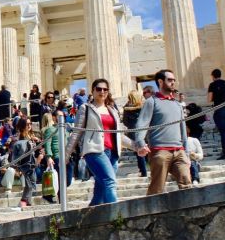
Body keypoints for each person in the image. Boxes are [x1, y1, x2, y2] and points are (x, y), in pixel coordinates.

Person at [68, 78, 130, 206]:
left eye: (105, 89)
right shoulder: (85, 108)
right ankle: (116, 218)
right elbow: (76, 133)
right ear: (93, 91)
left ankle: (88, 219)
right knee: (110, 181)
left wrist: (137, 146)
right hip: (95, 151)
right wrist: (66, 154)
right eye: (99, 89)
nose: (102, 91)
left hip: (112, 153)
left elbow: (119, 136)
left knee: (100, 192)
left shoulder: (112, 111)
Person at [135, 69, 193, 196]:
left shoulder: (177, 105)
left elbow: (182, 129)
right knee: (157, 189)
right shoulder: (152, 102)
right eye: (170, 80)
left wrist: (186, 152)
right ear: (160, 82)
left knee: (187, 184)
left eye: (174, 80)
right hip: (160, 151)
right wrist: (140, 142)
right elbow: (142, 123)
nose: (173, 82)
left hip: (179, 151)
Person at [10, 117, 36, 207]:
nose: (29, 126)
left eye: (30, 123)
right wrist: (17, 168)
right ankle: (24, 202)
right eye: (27, 124)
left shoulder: (30, 136)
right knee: (31, 183)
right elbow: (16, 154)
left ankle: (27, 202)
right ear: (22, 126)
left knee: (31, 183)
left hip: (31, 163)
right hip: (24, 164)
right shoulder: (19, 138)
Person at [121, 90, 147, 178]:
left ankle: (143, 171)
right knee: (144, 149)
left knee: (139, 151)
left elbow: (125, 122)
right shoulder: (144, 107)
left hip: (133, 131)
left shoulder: (126, 109)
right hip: (144, 130)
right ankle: (147, 169)